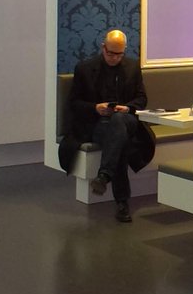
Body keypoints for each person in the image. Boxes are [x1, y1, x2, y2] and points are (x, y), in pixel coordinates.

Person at [64, 29, 153, 223]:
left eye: (119, 54)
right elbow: (74, 103)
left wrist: (127, 108)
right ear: (103, 47)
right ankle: (121, 201)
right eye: (111, 53)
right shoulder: (85, 69)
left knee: (119, 121)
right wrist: (96, 108)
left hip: (127, 120)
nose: (115, 58)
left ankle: (105, 175)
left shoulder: (132, 67)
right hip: (98, 123)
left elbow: (141, 99)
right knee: (119, 140)